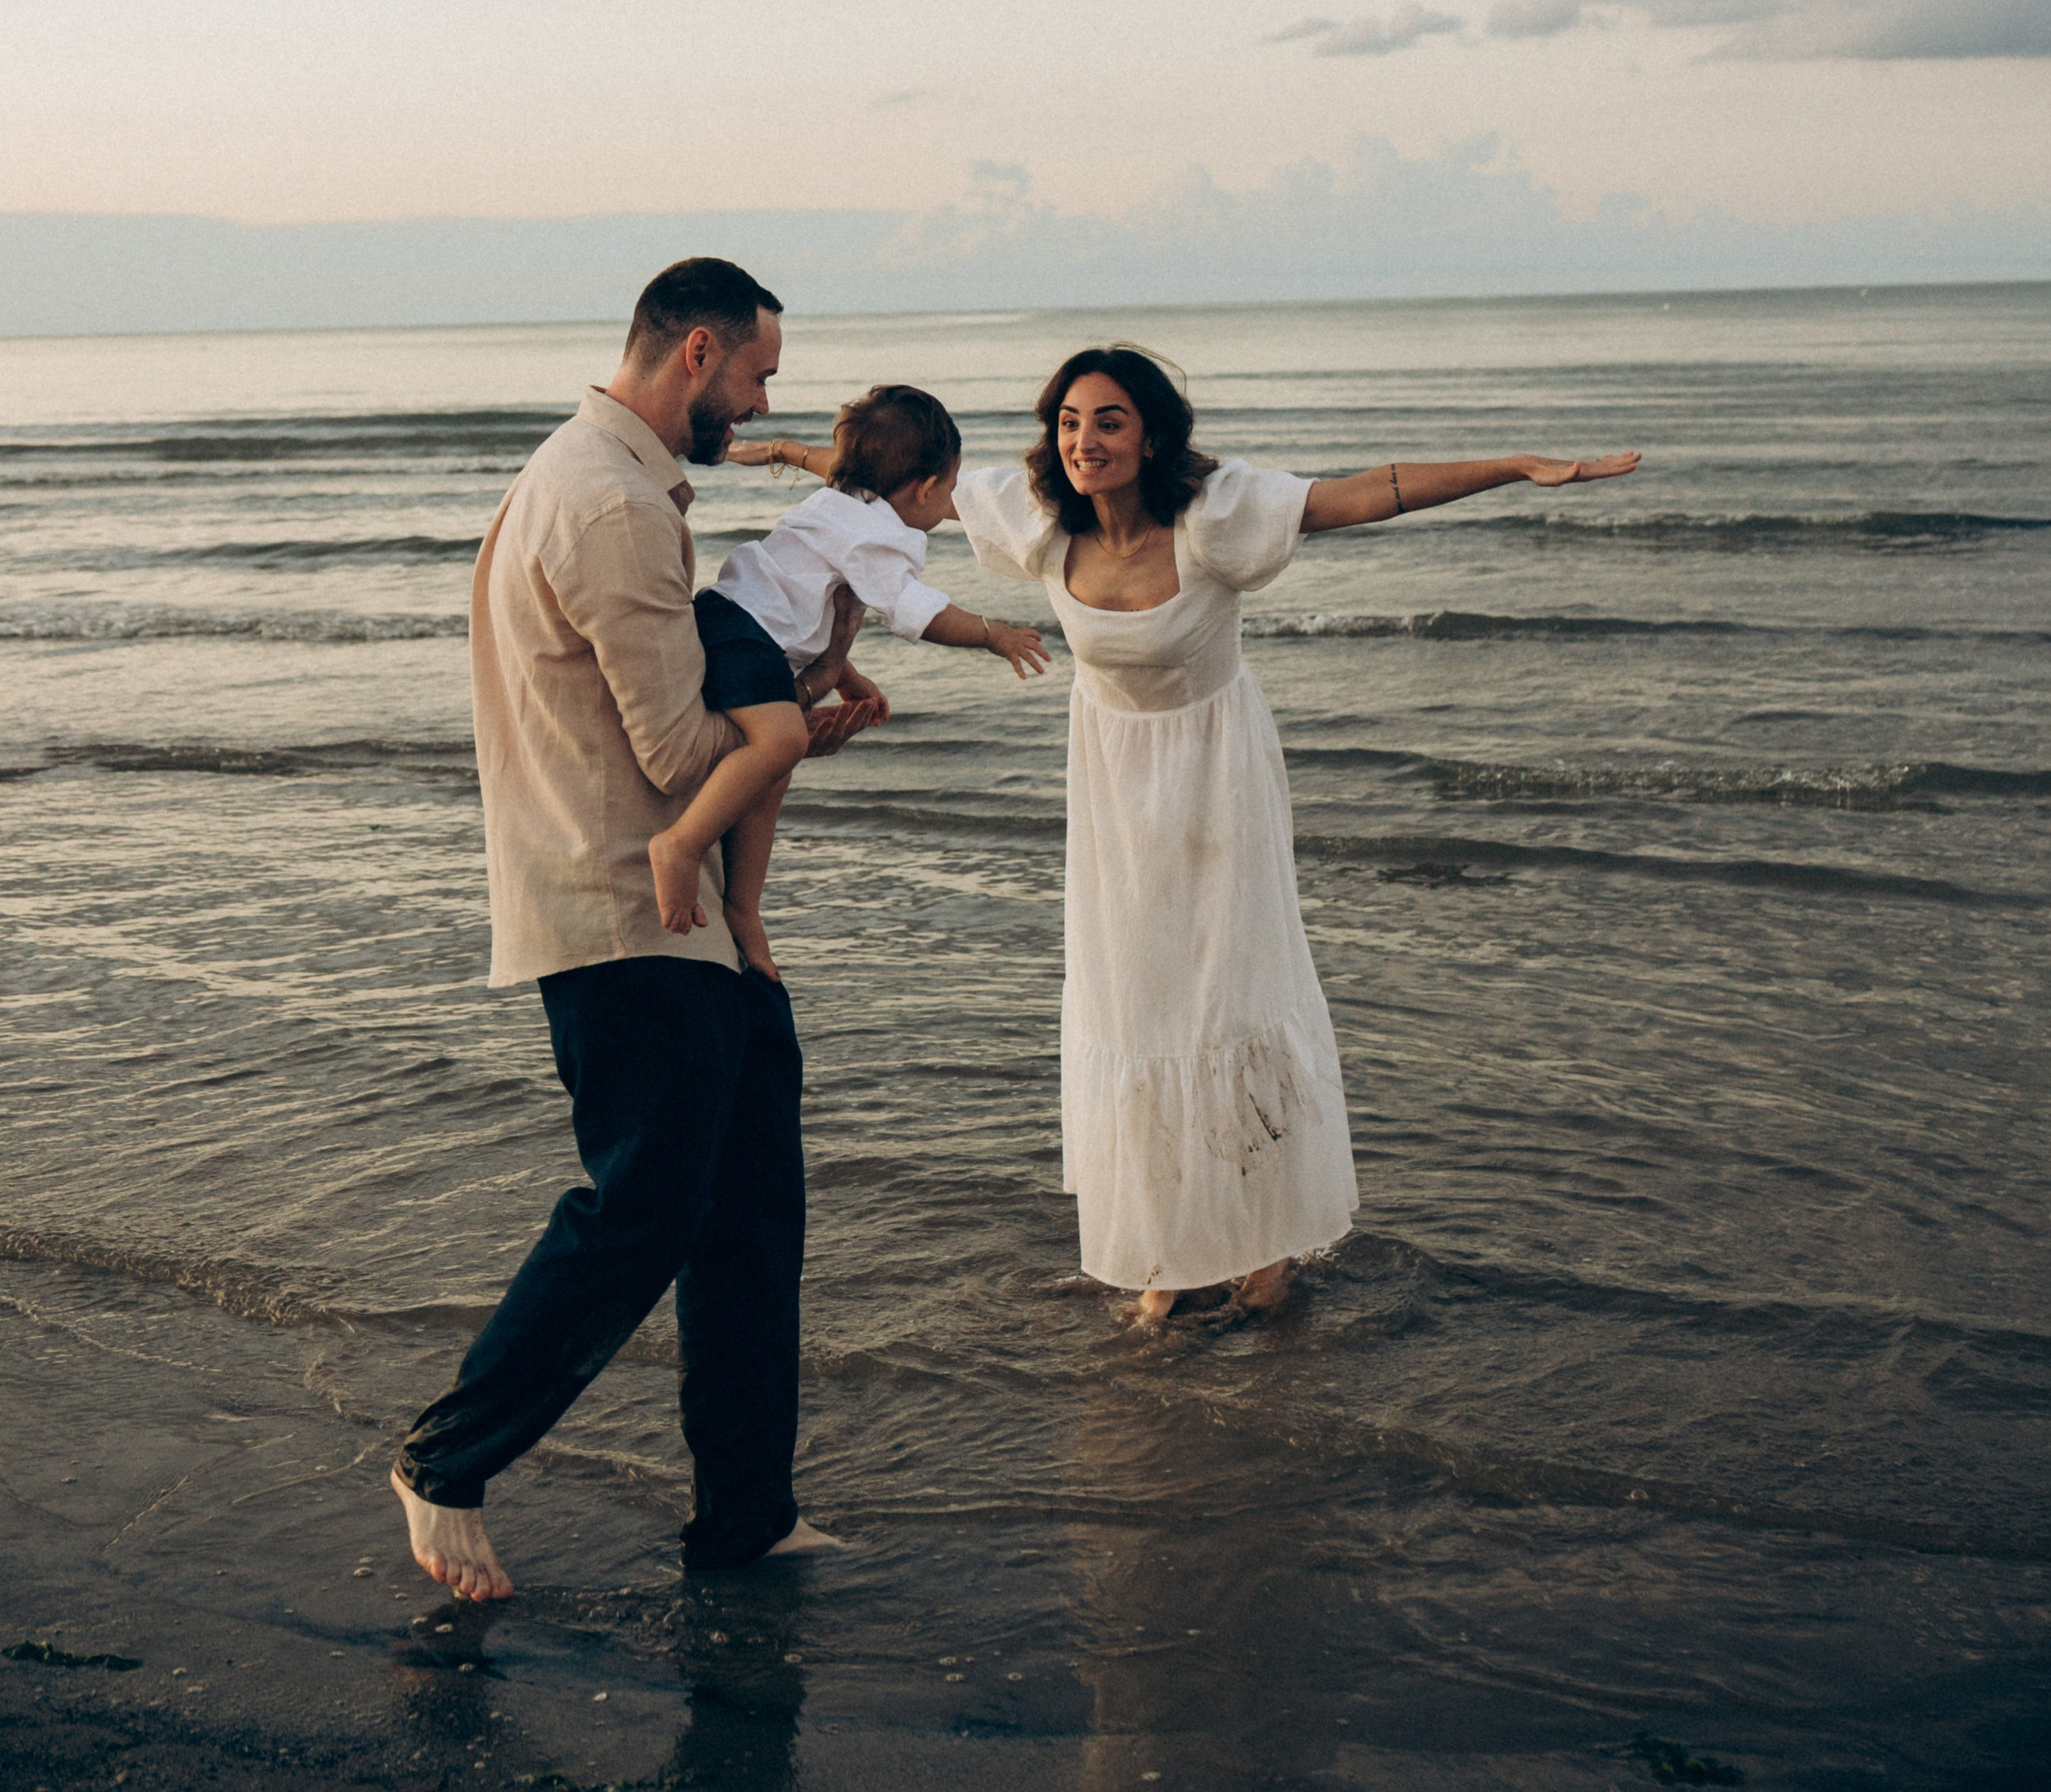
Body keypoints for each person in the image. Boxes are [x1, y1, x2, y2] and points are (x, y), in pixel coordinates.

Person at [951, 345, 1642, 1324]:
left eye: (1107, 420)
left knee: (1229, 1004)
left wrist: (1516, 466)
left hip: (1217, 787)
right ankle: (1172, 1252)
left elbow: (1366, 495)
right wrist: (779, 457)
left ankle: (1265, 1250)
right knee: (1136, 1014)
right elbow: (898, 480)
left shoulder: (1213, 520)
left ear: (1150, 435)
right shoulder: (1039, 524)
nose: (1083, 440)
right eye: (1068, 421)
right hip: (1113, 805)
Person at [389, 256, 881, 1605]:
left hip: (689, 923)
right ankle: (448, 1457)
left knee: (748, 1220)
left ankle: (747, 1518)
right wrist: (779, 720)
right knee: (645, 1209)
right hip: (622, 911)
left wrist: (794, 704)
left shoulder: (605, 482)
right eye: (761, 375)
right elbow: (674, 756)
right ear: (699, 354)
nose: (764, 401)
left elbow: (676, 730)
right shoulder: (605, 500)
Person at [648, 383, 1049, 963]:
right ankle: (680, 847)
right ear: (927, 487)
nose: (952, 501)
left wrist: (845, 677)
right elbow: (916, 610)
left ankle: (743, 904)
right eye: (953, 488)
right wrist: (993, 634)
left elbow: (813, 602)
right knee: (784, 740)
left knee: (773, 768)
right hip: (747, 637)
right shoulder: (882, 536)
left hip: (735, 623)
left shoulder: (838, 503)